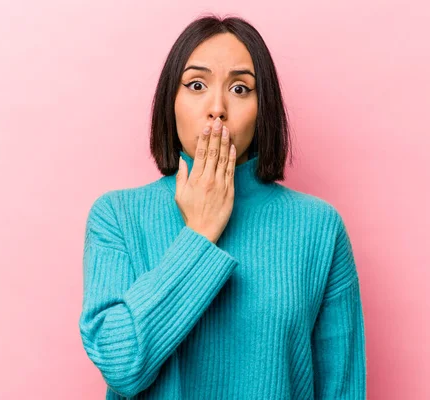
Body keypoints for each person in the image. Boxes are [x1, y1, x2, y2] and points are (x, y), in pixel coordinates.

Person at [79, 14, 367, 399]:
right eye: (196, 85)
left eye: (240, 89)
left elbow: (341, 388)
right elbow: (120, 365)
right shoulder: (117, 217)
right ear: (171, 101)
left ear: (263, 109)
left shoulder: (319, 228)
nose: (217, 108)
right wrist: (199, 233)